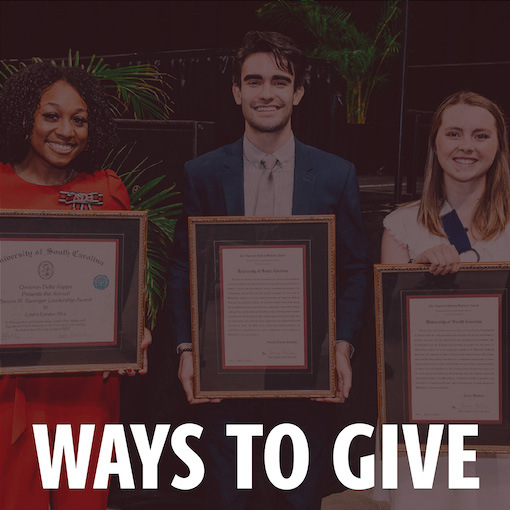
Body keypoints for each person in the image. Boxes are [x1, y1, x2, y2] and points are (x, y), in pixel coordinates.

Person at [167, 31, 371, 509]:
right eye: (253, 81)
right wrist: (186, 347)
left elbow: (356, 269)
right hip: (225, 375)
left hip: (307, 375)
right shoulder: (202, 173)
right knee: (229, 499)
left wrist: (342, 347)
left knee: (298, 501)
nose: (266, 93)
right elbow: (184, 266)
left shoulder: (336, 174)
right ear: (236, 92)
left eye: (280, 81)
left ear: (298, 93)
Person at [0, 62, 151, 510]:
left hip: (86, 388)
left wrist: (135, 332)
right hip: (10, 390)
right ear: (24, 116)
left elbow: (127, 286)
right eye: (51, 115)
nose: (66, 130)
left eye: (79, 120)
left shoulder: (107, 191)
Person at [377, 91, 510, 508]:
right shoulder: (401, 226)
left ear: (498, 145)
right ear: (435, 143)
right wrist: (416, 275)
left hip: (500, 414)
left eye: (480, 135)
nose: (466, 146)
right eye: (453, 133)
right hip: (427, 419)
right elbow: (391, 340)